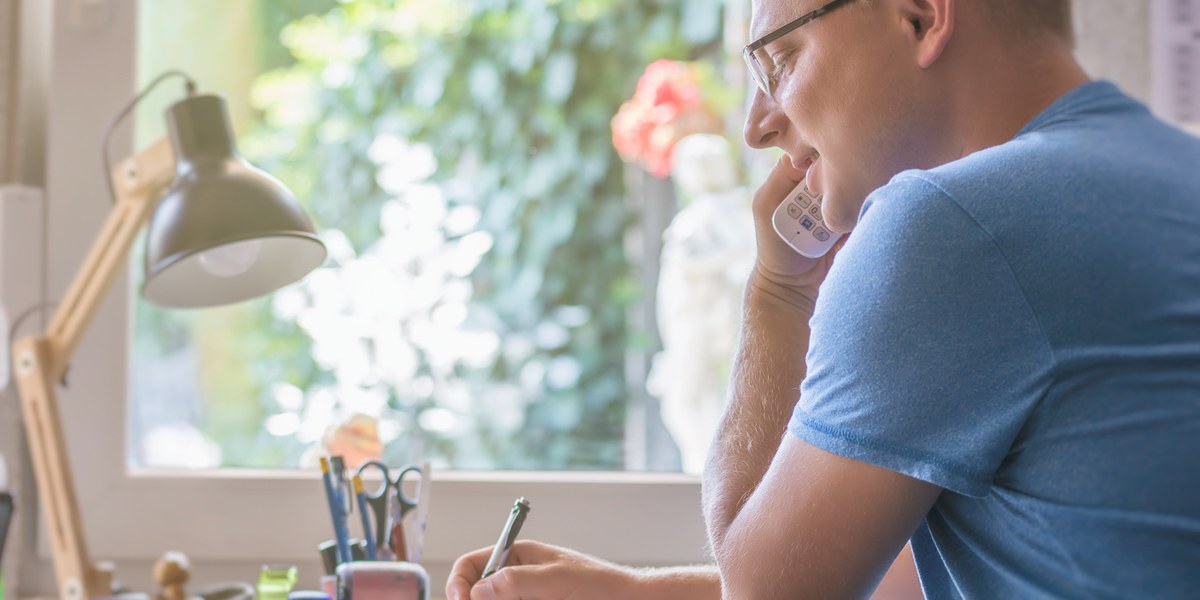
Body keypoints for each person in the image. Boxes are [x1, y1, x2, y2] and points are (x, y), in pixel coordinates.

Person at [448, 0, 1200, 598]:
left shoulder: (949, 223)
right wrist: (624, 592)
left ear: (920, 16)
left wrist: (780, 290)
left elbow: (766, 596)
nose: (757, 125)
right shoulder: (1171, 172)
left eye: (780, 60)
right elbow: (895, 584)